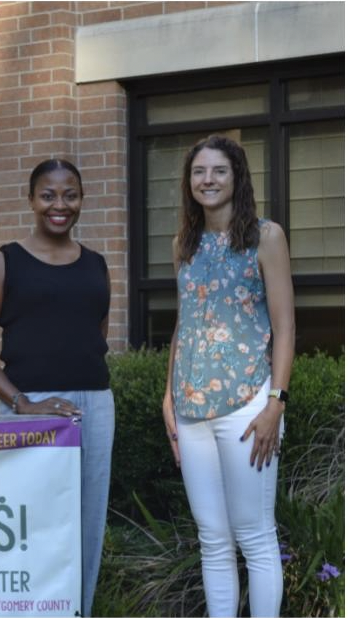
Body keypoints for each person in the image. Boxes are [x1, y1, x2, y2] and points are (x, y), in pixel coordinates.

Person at [0, 158, 114, 617]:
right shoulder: (4, 262)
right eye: (48, 195)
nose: (60, 205)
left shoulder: (96, 264)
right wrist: (21, 403)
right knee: (30, 523)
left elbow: (96, 336)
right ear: (31, 200)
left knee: (87, 527)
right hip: (31, 410)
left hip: (94, 406)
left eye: (70, 195)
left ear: (81, 200)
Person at [162, 134, 294, 617]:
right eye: (199, 172)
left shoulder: (267, 236)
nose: (208, 180)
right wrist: (168, 395)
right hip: (191, 409)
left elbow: (285, 326)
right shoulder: (184, 242)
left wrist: (275, 402)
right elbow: (184, 321)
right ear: (189, 181)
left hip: (247, 405)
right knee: (212, 538)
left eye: (219, 170)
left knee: (254, 534)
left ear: (236, 177)